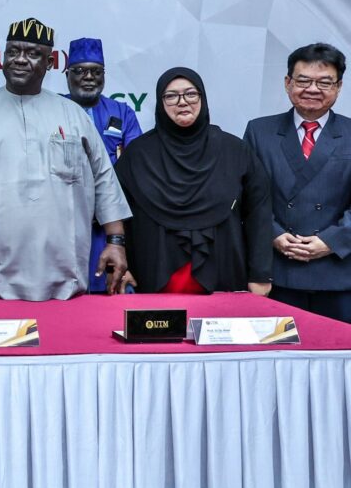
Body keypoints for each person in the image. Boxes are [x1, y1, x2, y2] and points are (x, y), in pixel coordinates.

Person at [0, 17, 130, 300]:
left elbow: (104, 178)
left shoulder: (73, 115)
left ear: (51, 62)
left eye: (32, 54)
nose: (20, 60)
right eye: (13, 52)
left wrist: (116, 242)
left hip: (61, 275)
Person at [116, 67, 272, 294]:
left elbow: (259, 213)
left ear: (203, 98)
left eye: (191, 94)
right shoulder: (138, 154)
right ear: (160, 102)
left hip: (224, 275)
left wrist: (260, 274)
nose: (182, 102)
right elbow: (117, 211)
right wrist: (123, 266)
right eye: (171, 96)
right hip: (153, 277)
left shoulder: (234, 150)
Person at [244, 43, 351, 321]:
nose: (313, 89)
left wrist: (330, 241)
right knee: (277, 361)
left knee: (338, 360)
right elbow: (246, 197)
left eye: (324, 82)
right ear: (287, 83)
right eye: (303, 80)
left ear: (338, 87)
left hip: (338, 271)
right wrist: (274, 234)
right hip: (277, 272)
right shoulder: (260, 131)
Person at [62, 37, 143, 293]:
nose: (88, 77)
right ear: (67, 74)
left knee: (112, 292)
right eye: (80, 71)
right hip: (65, 219)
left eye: (96, 71)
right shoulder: (54, 108)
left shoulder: (122, 113)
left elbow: (135, 164)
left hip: (111, 221)